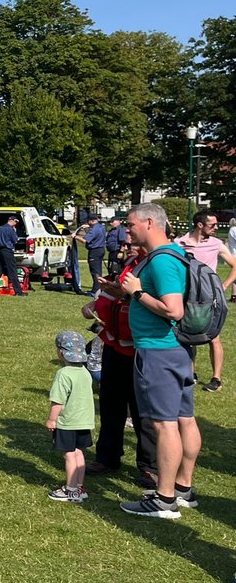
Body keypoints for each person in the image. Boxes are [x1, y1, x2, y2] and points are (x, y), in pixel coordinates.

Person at [119, 203, 200, 518]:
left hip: (159, 351)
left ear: (149, 223)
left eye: (130, 224)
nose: (127, 230)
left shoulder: (162, 260)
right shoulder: (173, 255)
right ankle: (183, 489)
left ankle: (164, 499)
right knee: (184, 419)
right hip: (177, 349)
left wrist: (137, 293)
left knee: (164, 424)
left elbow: (173, 310)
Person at [83, 248, 158, 488]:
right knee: (110, 403)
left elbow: (162, 304)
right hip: (115, 344)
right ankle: (107, 456)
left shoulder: (160, 263)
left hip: (143, 349)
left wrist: (125, 295)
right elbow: (113, 295)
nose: (126, 241)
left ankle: (150, 466)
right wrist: (96, 303)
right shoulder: (131, 262)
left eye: (131, 233)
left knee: (143, 410)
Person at [175, 210, 236, 392]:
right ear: (200, 225)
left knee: (213, 336)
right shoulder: (180, 243)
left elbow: (235, 265)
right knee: (187, 334)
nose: (216, 227)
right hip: (188, 296)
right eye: (213, 225)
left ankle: (216, 379)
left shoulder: (216, 244)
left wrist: (223, 286)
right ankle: (191, 373)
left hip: (210, 298)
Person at [46, 330, 95, 503]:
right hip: (84, 421)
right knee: (79, 453)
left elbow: (58, 401)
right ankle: (80, 487)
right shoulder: (85, 372)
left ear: (61, 352)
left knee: (69, 455)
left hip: (68, 422)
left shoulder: (63, 374)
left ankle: (71, 490)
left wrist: (52, 419)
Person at [0, 215, 26, 296]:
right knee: (12, 271)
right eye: (16, 222)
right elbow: (15, 240)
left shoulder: (0, 228)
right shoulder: (10, 229)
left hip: (0, 251)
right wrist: (15, 231)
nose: (16, 224)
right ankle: (18, 292)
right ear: (12, 221)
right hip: (7, 251)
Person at [76, 213, 107, 295]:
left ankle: (95, 290)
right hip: (101, 249)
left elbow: (84, 240)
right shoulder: (101, 227)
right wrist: (87, 229)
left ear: (92, 221)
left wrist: (75, 236)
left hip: (94, 251)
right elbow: (92, 236)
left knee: (94, 271)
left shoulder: (94, 229)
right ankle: (98, 288)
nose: (87, 223)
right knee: (98, 270)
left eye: (88, 221)